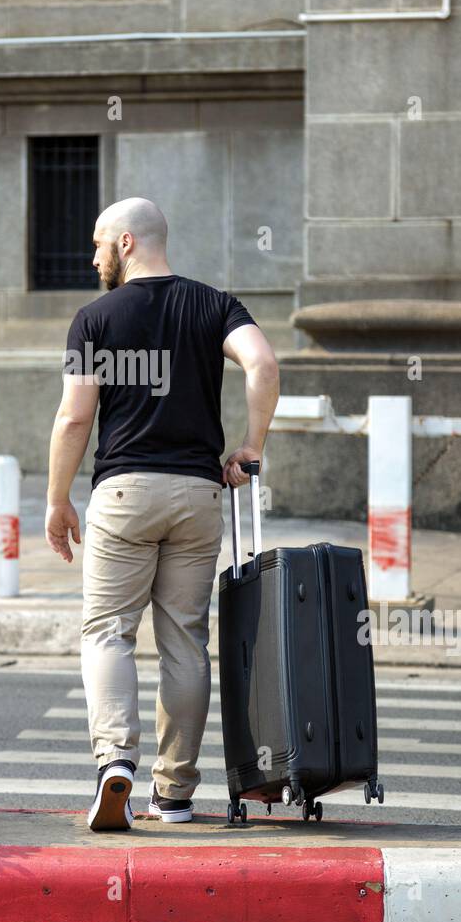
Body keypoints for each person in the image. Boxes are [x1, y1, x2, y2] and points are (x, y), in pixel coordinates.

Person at [45, 197, 279, 830]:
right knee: (184, 644)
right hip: (199, 497)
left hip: (123, 493)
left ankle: (114, 762)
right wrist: (252, 445)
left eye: (98, 244)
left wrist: (56, 498)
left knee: (107, 631)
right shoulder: (215, 305)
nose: (93, 257)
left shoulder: (93, 319)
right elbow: (262, 363)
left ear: (125, 243)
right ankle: (173, 794)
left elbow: (74, 416)